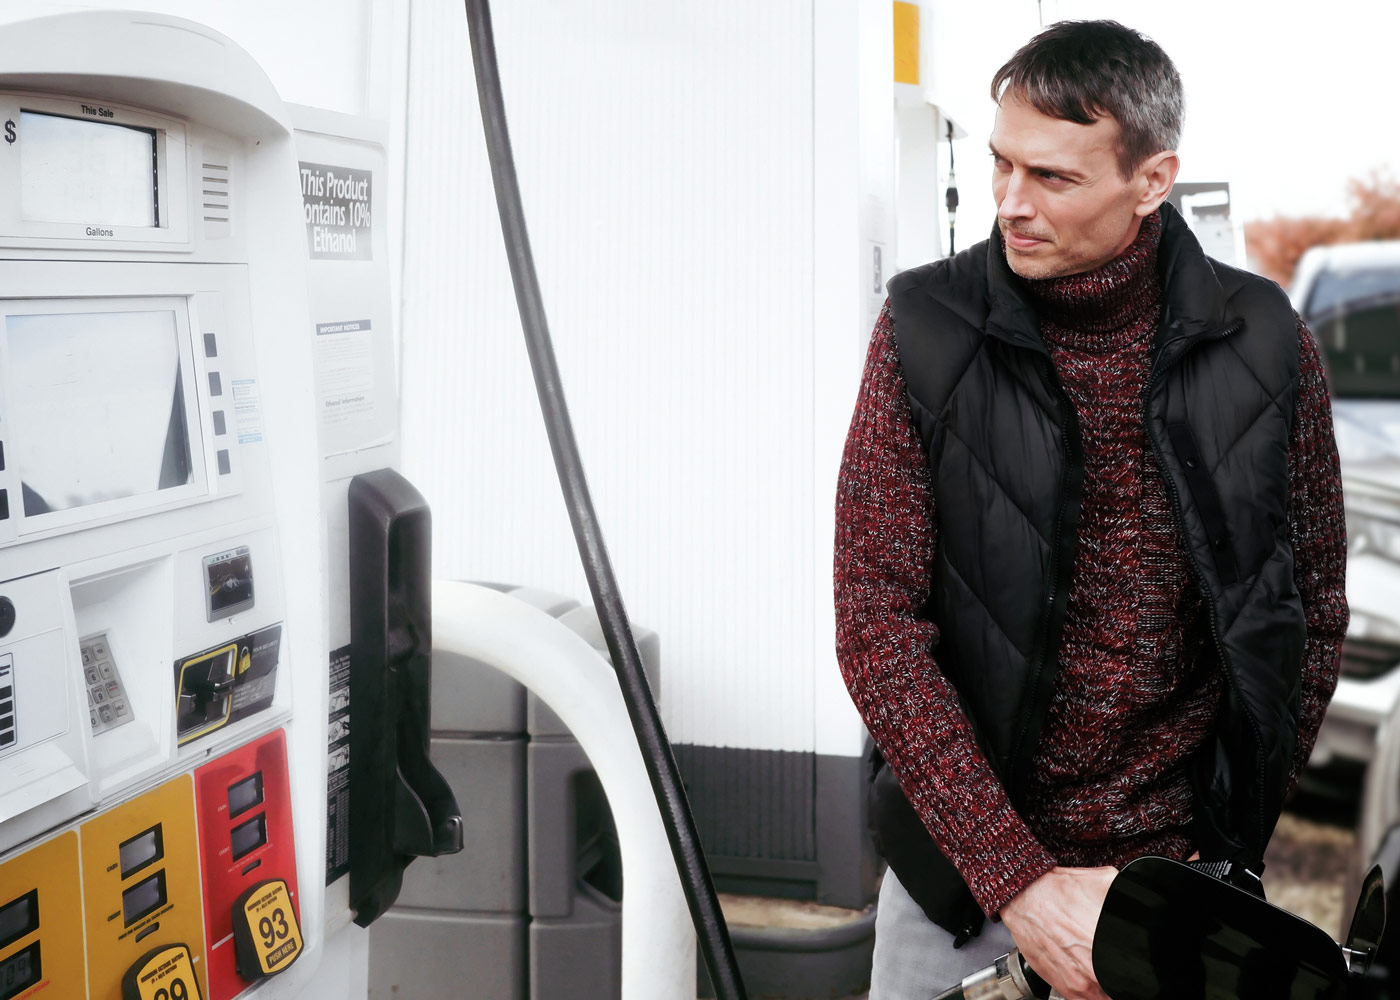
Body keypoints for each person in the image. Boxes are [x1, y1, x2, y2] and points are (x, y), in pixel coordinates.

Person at [833, 19, 1347, 1000]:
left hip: (1172, 891)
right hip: (957, 888)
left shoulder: (1266, 342)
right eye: (999, 166)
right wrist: (1015, 881)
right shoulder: (923, 331)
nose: (1010, 205)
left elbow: (1308, 612)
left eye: (1052, 178)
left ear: (1150, 181)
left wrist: (1224, 841)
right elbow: (874, 624)